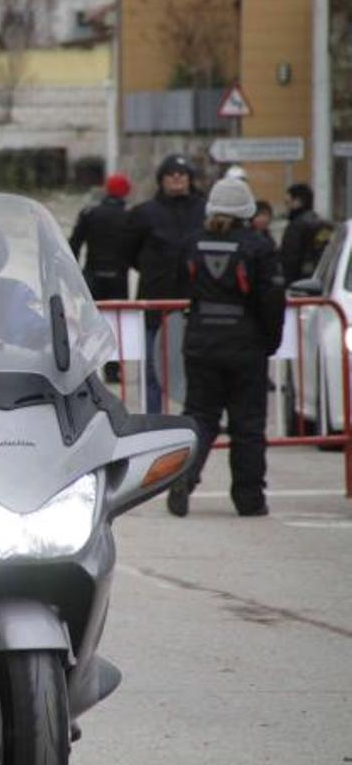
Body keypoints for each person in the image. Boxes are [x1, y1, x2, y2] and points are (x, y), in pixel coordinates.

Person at [170, 178, 284, 518]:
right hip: (246, 346)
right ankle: (249, 499)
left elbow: (180, 286)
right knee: (247, 425)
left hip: (201, 343)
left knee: (200, 416)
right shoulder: (259, 247)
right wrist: (270, 341)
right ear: (247, 211)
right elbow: (271, 300)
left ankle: (183, 476)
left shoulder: (193, 243)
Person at [124, 154, 206, 413]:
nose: (177, 179)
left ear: (191, 179)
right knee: (153, 369)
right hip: (156, 301)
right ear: (161, 180)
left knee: (196, 367)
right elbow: (129, 253)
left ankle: (195, 418)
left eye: (182, 175)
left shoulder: (205, 210)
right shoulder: (144, 213)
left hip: (196, 301)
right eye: (171, 175)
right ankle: (154, 420)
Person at [69, 172, 132, 383]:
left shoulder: (90, 213)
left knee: (88, 323)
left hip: (92, 275)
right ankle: (113, 371)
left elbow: (74, 245)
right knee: (115, 324)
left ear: (106, 190)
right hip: (118, 277)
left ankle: (86, 370)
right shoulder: (129, 217)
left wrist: (73, 273)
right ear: (126, 193)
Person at [280, 183, 334, 284]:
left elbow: (290, 259)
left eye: (288, 203)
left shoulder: (296, 227)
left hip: (300, 282)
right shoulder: (325, 225)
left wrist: (289, 282)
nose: (286, 208)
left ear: (298, 202)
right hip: (324, 280)